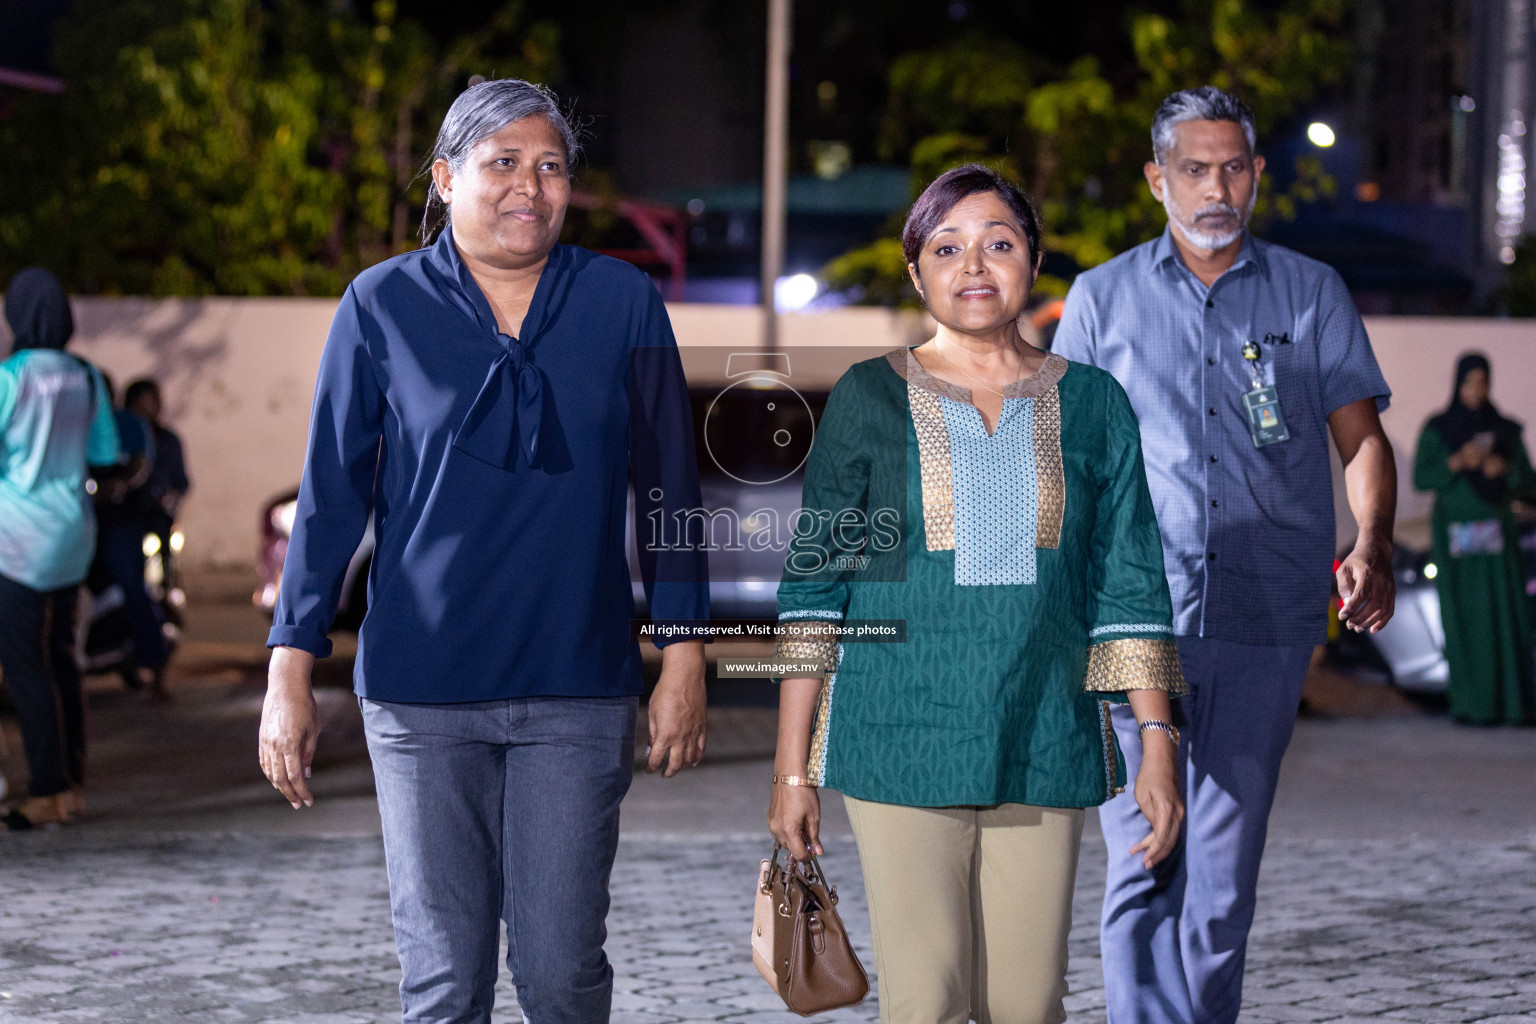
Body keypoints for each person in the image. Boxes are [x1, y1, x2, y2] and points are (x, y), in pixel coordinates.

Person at [258, 79, 710, 1024]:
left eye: (550, 168)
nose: (529, 188)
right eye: (502, 163)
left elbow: (669, 486)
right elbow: (331, 503)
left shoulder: (620, 301)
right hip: (421, 693)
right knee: (444, 982)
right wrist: (289, 672)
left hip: (578, 686)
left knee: (560, 973)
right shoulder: (379, 306)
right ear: (445, 176)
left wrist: (684, 653)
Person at [768, 164, 1187, 1024]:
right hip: (899, 735)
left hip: (1043, 731)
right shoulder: (868, 400)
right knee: (928, 999)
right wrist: (791, 768)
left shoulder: (1095, 404)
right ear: (915, 270)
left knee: (1028, 1006)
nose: (974, 265)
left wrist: (1156, 738)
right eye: (948, 247)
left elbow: (1130, 580)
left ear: (1032, 260)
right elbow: (815, 588)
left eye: (998, 243)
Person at [1052, 86, 1398, 1024]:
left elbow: (1359, 439)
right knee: (1140, 859)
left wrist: (1371, 541)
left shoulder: (1309, 291)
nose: (1218, 187)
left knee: (1220, 886)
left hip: (1266, 610)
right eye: (1196, 169)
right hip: (1133, 612)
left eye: (1235, 167)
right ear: (1157, 178)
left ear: (1257, 176)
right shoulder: (1100, 298)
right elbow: (1064, 465)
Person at [0, 267, 121, 828]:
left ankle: (45, 790)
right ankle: (72, 785)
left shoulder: (11, 376)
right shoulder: (86, 375)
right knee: (60, 661)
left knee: (25, 666)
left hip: (18, 543)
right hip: (73, 537)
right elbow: (105, 455)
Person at [1413, 353, 1535, 725]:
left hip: (1496, 540)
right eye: (1469, 382)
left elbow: (1527, 481)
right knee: (1463, 621)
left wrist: (1504, 469)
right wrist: (1456, 463)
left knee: (1504, 617)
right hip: (1456, 540)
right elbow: (1421, 477)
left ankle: (1510, 707)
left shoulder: (1505, 430)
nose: (1476, 390)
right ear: (1457, 383)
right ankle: (1470, 705)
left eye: (1482, 382)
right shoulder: (1438, 428)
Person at [91, 372, 168, 694]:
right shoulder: (84, 423)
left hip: (124, 519)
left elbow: (140, 465)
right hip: (86, 519)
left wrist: (117, 486)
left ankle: (155, 665)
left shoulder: (128, 424)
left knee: (134, 588)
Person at [124, 377, 190, 591]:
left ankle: (169, 587)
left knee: (168, 546)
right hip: (131, 514)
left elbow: (182, 480)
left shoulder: (169, 440)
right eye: (149, 400)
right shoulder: (123, 437)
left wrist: (171, 495)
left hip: (160, 516)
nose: (156, 405)